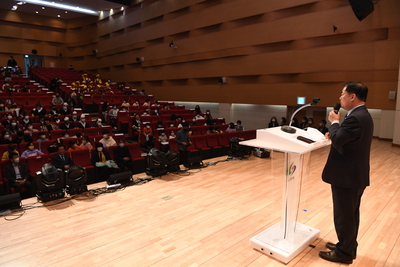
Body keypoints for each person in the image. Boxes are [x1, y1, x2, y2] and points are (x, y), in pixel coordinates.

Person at [319, 81, 373, 264]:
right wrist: (334, 133)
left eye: (343, 94)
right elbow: (345, 139)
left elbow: (340, 138)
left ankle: (344, 253)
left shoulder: (355, 117)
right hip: (354, 175)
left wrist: (334, 124)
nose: (340, 97)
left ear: (352, 96)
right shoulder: (362, 115)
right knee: (350, 215)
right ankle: (347, 246)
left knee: (344, 216)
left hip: (347, 177)